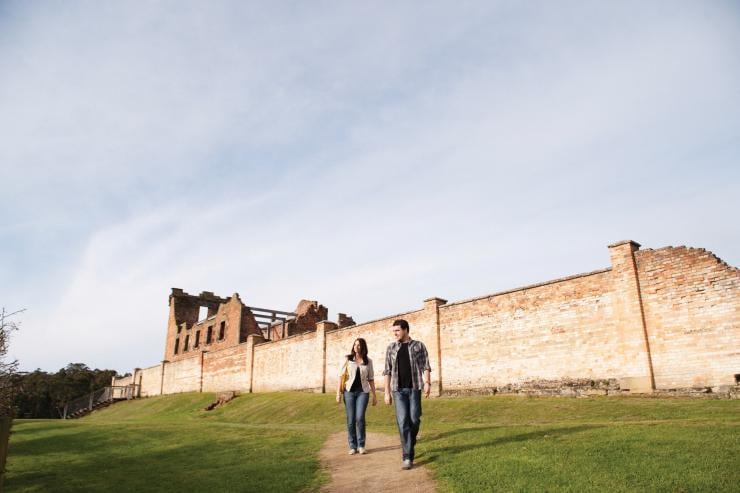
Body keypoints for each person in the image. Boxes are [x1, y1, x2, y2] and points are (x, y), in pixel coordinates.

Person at [383, 319, 431, 470]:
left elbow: (425, 366)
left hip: (414, 388)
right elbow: (387, 371)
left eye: (397, 330)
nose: (395, 333)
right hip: (398, 391)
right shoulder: (391, 348)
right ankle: (407, 457)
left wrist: (427, 382)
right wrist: (386, 392)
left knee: (414, 419)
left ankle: (410, 441)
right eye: (393, 331)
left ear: (405, 330)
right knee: (403, 422)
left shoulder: (418, 345)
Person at [336, 337, 377, 455]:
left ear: (363, 347)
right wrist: (338, 393)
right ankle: (352, 446)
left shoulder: (368, 361)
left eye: (358, 345)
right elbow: (340, 376)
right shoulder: (348, 359)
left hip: (363, 393)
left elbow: (371, 379)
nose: (356, 347)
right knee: (351, 419)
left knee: (360, 418)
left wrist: (374, 395)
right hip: (349, 392)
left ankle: (361, 445)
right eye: (355, 345)